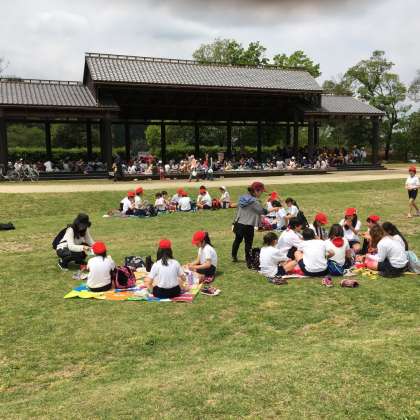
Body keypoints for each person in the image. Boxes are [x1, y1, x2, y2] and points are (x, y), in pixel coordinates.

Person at [231, 181, 266, 267]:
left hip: (239, 223)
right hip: (248, 225)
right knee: (248, 243)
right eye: (261, 192)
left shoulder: (242, 198)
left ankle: (233, 256)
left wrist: (234, 222)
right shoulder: (254, 201)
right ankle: (248, 260)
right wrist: (274, 209)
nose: (261, 194)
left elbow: (238, 210)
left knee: (237, 240)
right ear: (256, 191)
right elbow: (262, 211)